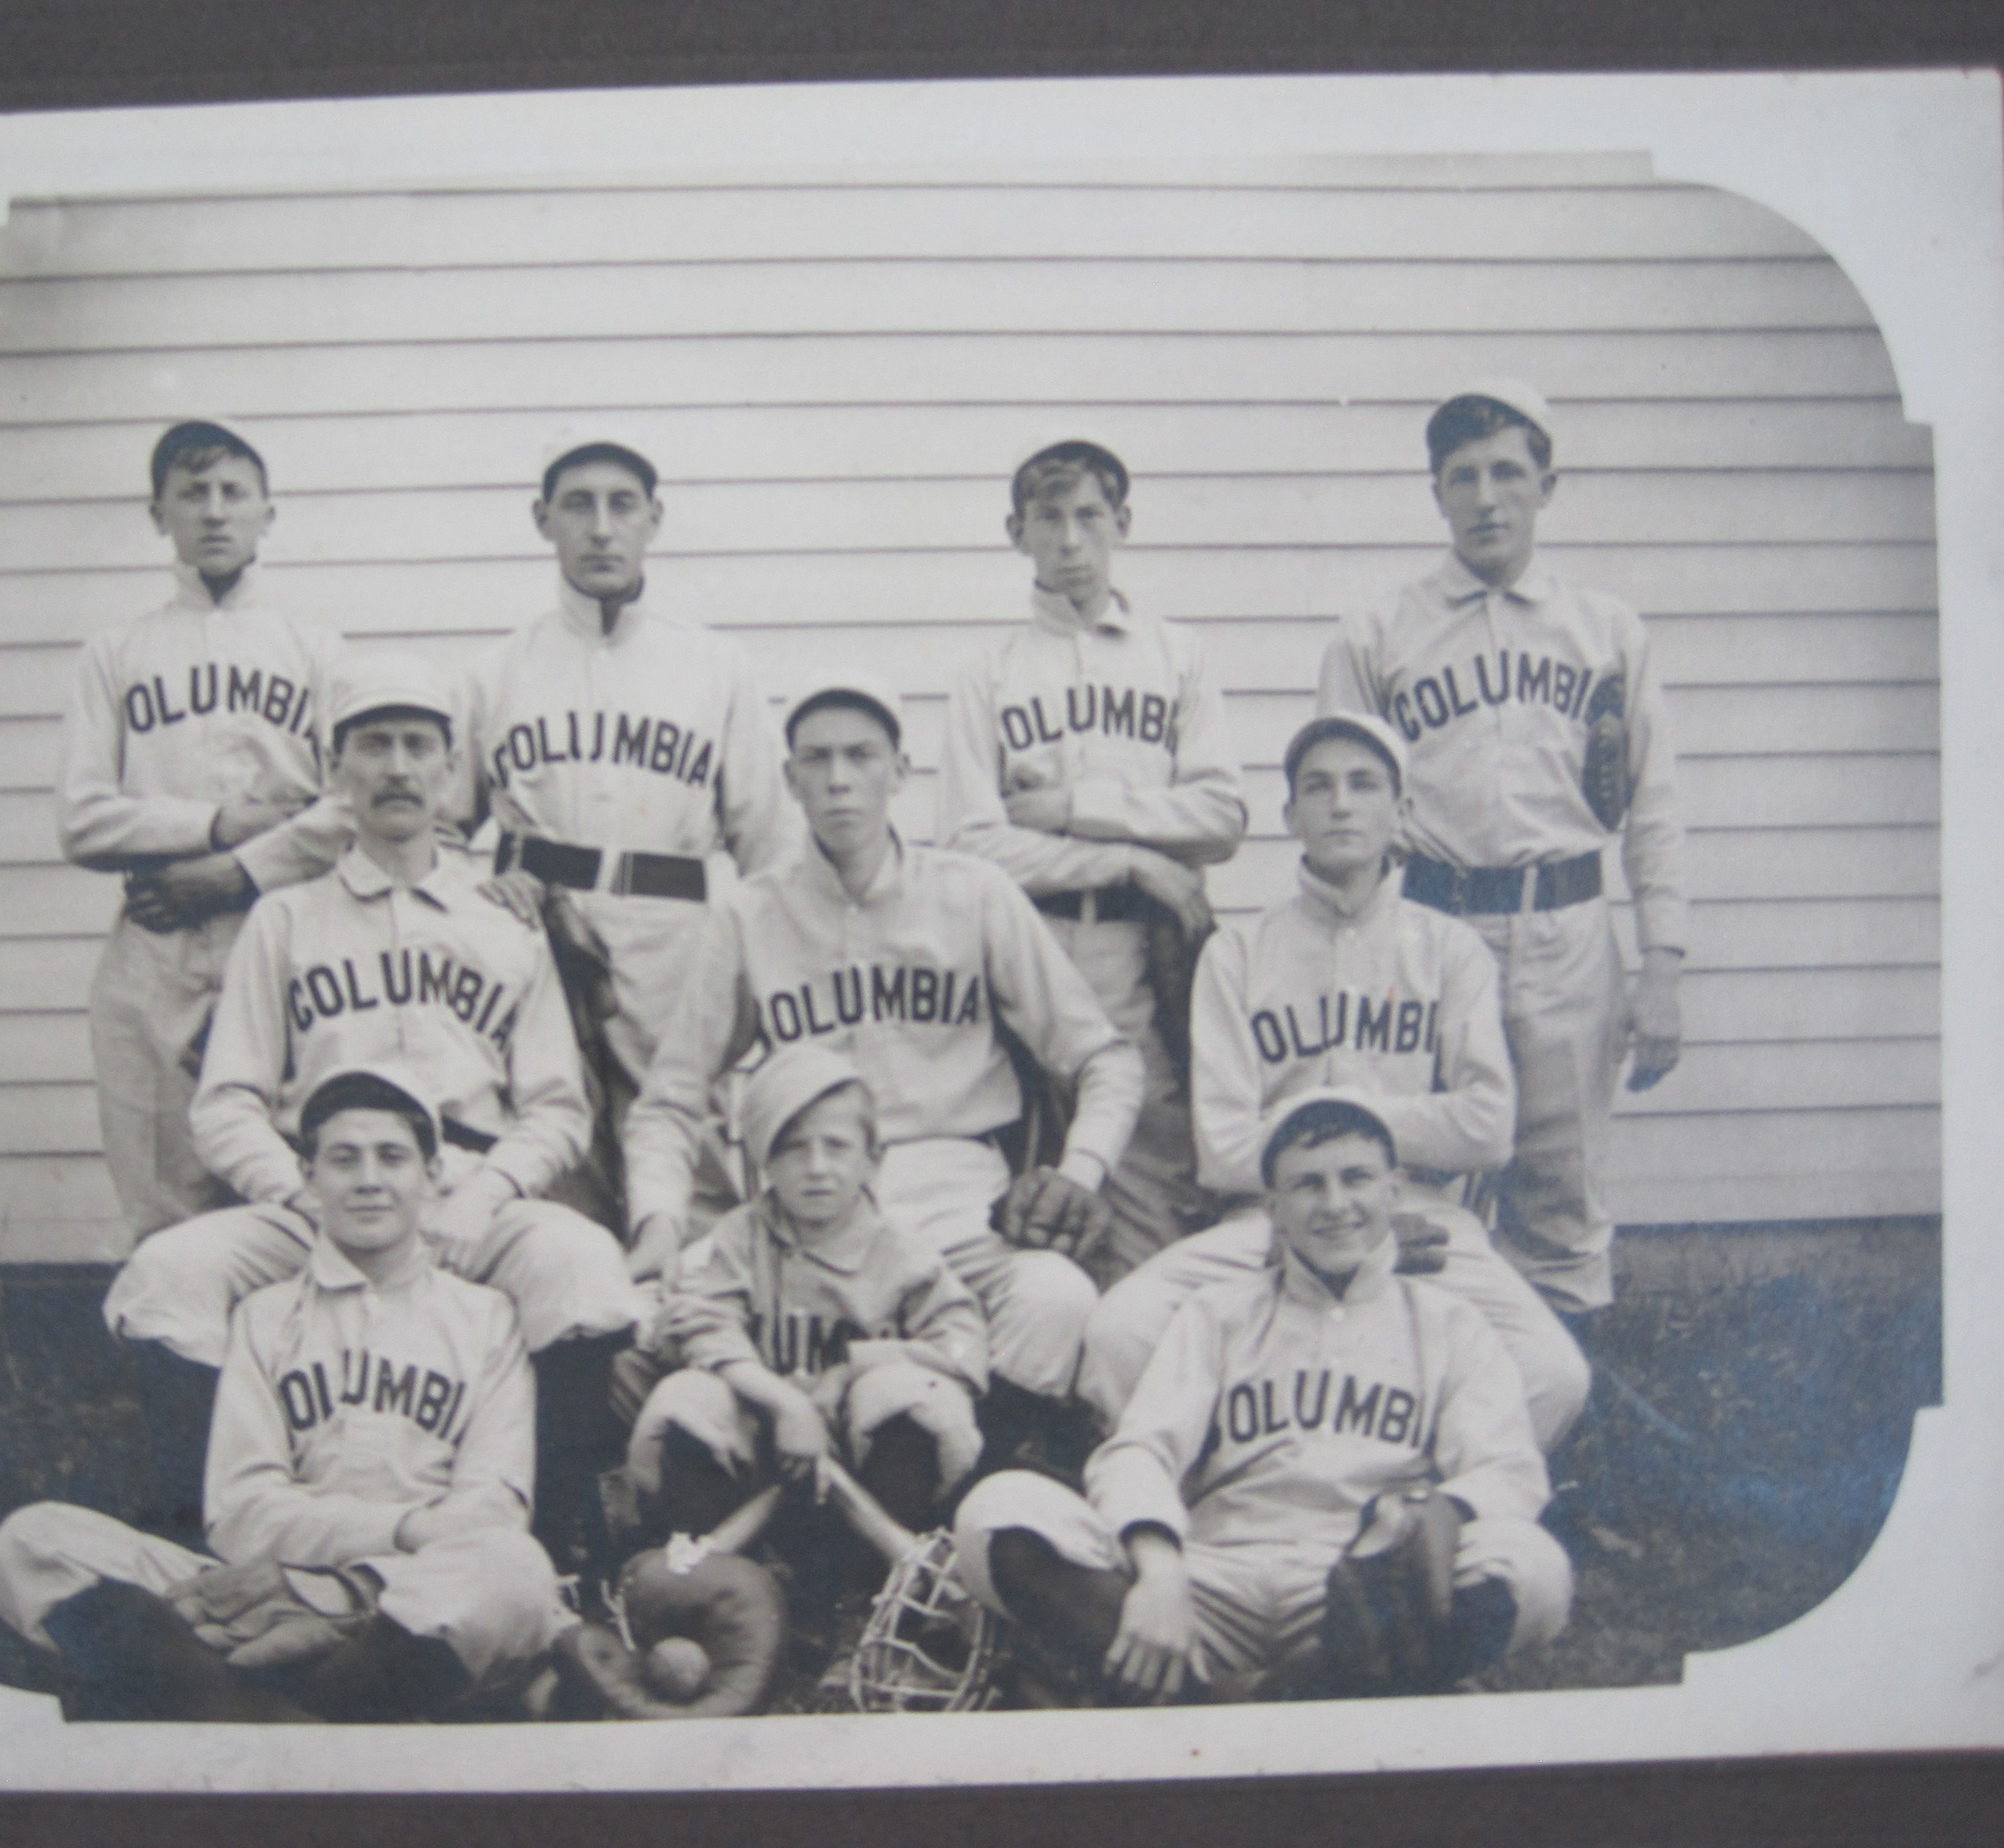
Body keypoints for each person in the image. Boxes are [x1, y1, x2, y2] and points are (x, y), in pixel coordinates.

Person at [102, 656, 639, 1564]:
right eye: (373, 745)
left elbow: (556, 1107)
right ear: (336, 769)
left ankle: (555, 1548)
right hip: (321, 1187)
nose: (396, 766)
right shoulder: (286, 917)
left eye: (418, 746)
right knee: (169, 1275)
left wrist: (486, 1195)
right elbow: (226, 1100)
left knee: (581, 1266)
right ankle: (197, 1544)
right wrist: (295, 1191)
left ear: (449, 770)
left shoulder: (501, 920)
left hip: (464, 1184)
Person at [621, 671, 1143, 1471]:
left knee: (1057, 1299)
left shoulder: (973, 894)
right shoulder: (751, 913)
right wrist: (657, 1221)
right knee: (659, 1312)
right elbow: (670, 1100)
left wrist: (1080, 1171)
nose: (839, 780)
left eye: (862, 756)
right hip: (799, 1211)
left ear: (900, 772)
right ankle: (790, 1506)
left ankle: (970, 1486)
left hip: (954, 1199)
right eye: (817, 759)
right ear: (789, 779)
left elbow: (1103, 1057)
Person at [0, 1067, 568, 1723]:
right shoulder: (264, 1316)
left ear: (433, 1176)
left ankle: (238, 1705)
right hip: (260, 1591)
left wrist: (339, 1589)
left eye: (393, 1157)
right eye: (343, 1159)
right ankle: (307, 1714)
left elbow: (489, 1515)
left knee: (512, 1569)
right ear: (309, 1177)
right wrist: (402, 1526)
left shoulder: (488, 1319)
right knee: (32, 1542)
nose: (369, 1179)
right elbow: (240, 1514)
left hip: (402, 1602)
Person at [954, 1093, 1572, 1704]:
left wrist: (1439, 1512)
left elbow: (1508, 1468)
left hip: (1361, 1592)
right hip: (1213, 1579)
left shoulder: (1449, 1321)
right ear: (1272, 1208)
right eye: (1307, 1185)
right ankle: (1322, 1694)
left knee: (1537, 1569)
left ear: (1394, 1190)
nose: (1335, 1205)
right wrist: (1162, 1572)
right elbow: (1141, 1449)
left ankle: (1210, 1700)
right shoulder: (1218, 1312)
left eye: (1356, 1178)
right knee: (998, 1510)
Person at [1076, 713, 1589, 1449]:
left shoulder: (1451, 950)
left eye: (1363, 784)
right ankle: (1236, 1486)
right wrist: (1336, 1173)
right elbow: (1222, 1151)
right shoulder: (1240, 954)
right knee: (1119, 1331)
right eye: (1318, 787)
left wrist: (1332, 1127)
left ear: (1401, 812)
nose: (1341, 804)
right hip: (1267, 1221)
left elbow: (1488, 1128)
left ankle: (1413, 1503)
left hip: (1419, 1217)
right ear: (1290, 816)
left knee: (1552, 1373)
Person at [1317, 380, 1689, 1316]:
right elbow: (1340, 810)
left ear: (1546, 486)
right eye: (1463, 476)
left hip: (1567, 925)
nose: (1486, 497)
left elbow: (1654, 807)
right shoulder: (1379, 631)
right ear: (1436, 492)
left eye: (1508, 473)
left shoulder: (1604, 631)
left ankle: (1559, 1423)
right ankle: (1422, 1393)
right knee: (1418, 1173)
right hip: (1430, 926)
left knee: (1561, 1185)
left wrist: (1665, 967)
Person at [459, 440, 798, 1258]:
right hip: (544, 929)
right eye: (578, 505)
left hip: (675, 923)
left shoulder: (715, 664)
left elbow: (769, 843)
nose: (602, 528)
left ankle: (691, 1341)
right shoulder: (495, 670)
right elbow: (439, 828)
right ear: (544, 521)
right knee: (554, 1142)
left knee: (687, 1139)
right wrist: (487, 885)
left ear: (654, 519)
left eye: (622, 505)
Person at [938, 439, 1248, 1281]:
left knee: (1151, 1149)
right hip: (1031, 942)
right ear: (1017, 532)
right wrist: (1127, 862)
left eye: (1089, 517)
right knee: (1034, 1145)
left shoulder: (1175, 655)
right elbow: (969, 843)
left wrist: (1079, 811)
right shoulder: (989, 673)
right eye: (1049, 519)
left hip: (1146, 949)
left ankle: (1136, 1360)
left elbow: (1221, 817)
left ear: (1123, 524)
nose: (1071, 540)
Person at [57, 420, 353, 1239]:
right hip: (157, 943)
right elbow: (82, 819)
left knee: (294, 1175)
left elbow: (351, 804)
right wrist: (215, 823)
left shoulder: (316, 651)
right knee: (163, 1190)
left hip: (285, 930)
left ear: (268, 511)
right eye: (193, 494)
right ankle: (176, 1366)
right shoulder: (117, 654)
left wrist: (241, 869)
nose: (215, 513)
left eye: (234, 493)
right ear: (159, 514)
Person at [625, 1042, 990, 1547]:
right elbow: (701, 1323)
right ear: (763, 1164)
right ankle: (710, 1554)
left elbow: (963, 1347)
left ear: (873, 1160)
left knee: (911, 1397)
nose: (817, 1166)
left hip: (860, 1464)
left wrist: (853, 1369)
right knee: (689, 1397)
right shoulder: (740, 1236)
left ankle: (884, 1566)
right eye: (794, 1147)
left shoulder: (903, 1252)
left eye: (837, 1146)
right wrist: (785, 1405)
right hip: (763, 1453)